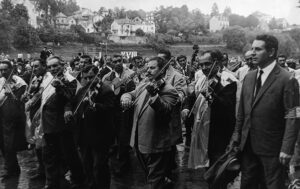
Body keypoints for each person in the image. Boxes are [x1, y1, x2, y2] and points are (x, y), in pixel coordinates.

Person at [229, 34, 300, 189]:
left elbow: (293, 116)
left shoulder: (287, 79)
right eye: (252, 48)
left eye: (258, 49)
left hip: (273, 150)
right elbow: (242, 113)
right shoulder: (249, 77)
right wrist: (236, 138)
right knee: (247, 185)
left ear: (271, 52)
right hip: (248, 147)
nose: (252, 52)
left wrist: (287, 149)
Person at [121, 57, 179, 189]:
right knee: (150, 176)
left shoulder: (169, 90)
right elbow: (131, 93)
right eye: (147, 68)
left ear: (163, 71)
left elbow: (165, 111)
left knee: (154, 182)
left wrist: (154, 96)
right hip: (139, 141)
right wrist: (125, 97)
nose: (147, 71)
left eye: (152, 68)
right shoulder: (144, 84)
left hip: (155, 144)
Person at [41, 56, 84, 189]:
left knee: (69, 154)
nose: (53, 69)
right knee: (49, 155)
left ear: (63, 65)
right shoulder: (47, 78)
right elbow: (43, 99)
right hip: (48, 122)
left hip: (62, 123)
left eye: (55, 66)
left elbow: (71, 98)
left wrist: (60, 88)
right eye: (50, 67)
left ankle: (79, 179)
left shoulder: (71, 80)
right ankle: (51, 182)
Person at [74, 65, 115, 189]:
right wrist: (68, 110)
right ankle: (91, 185)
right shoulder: (82, 90)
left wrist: (96, 105)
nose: (87, 81)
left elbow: (111, 109)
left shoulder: (106, 90)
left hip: (99, 135)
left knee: (99, 166)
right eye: (85, 78)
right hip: (84, 135)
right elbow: (72, 103)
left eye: (91, 77)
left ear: (98, 76)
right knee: (87, 165)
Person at [0, 60, 27, 179]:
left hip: (12, 117)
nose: (3, 72)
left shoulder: (19, 82)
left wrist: (11, 94)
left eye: (5, 69)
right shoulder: (1, 80)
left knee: (9, 145)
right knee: (2, 143)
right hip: (2, 115)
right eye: (1, 70)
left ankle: (9, 169)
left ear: (12, 69)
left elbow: (21, 102)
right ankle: (13, 168)